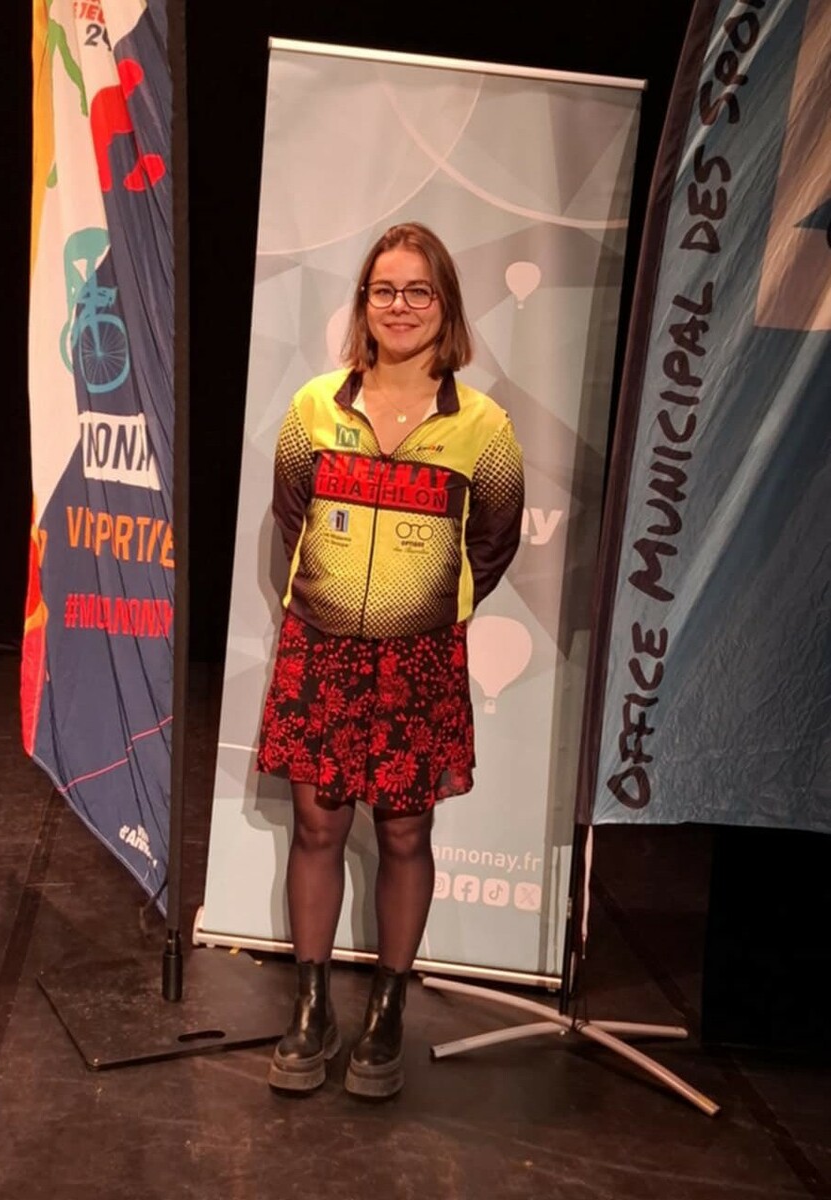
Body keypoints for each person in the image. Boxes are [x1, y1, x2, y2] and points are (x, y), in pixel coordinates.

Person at [256, 221, 525, 1098]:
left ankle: (386, 1011)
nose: (399, 306)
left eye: (417, 291)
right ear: (363, 304)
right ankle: (310, 1009)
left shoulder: (484, 427)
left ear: (444, 305)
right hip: (320, 652)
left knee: (406, 832)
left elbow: (493, 542)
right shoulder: (313, 409)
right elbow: (291, 518)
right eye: (383, 290)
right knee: (317, 828)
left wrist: (425, 606)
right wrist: (335, 601)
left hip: (419, 664)